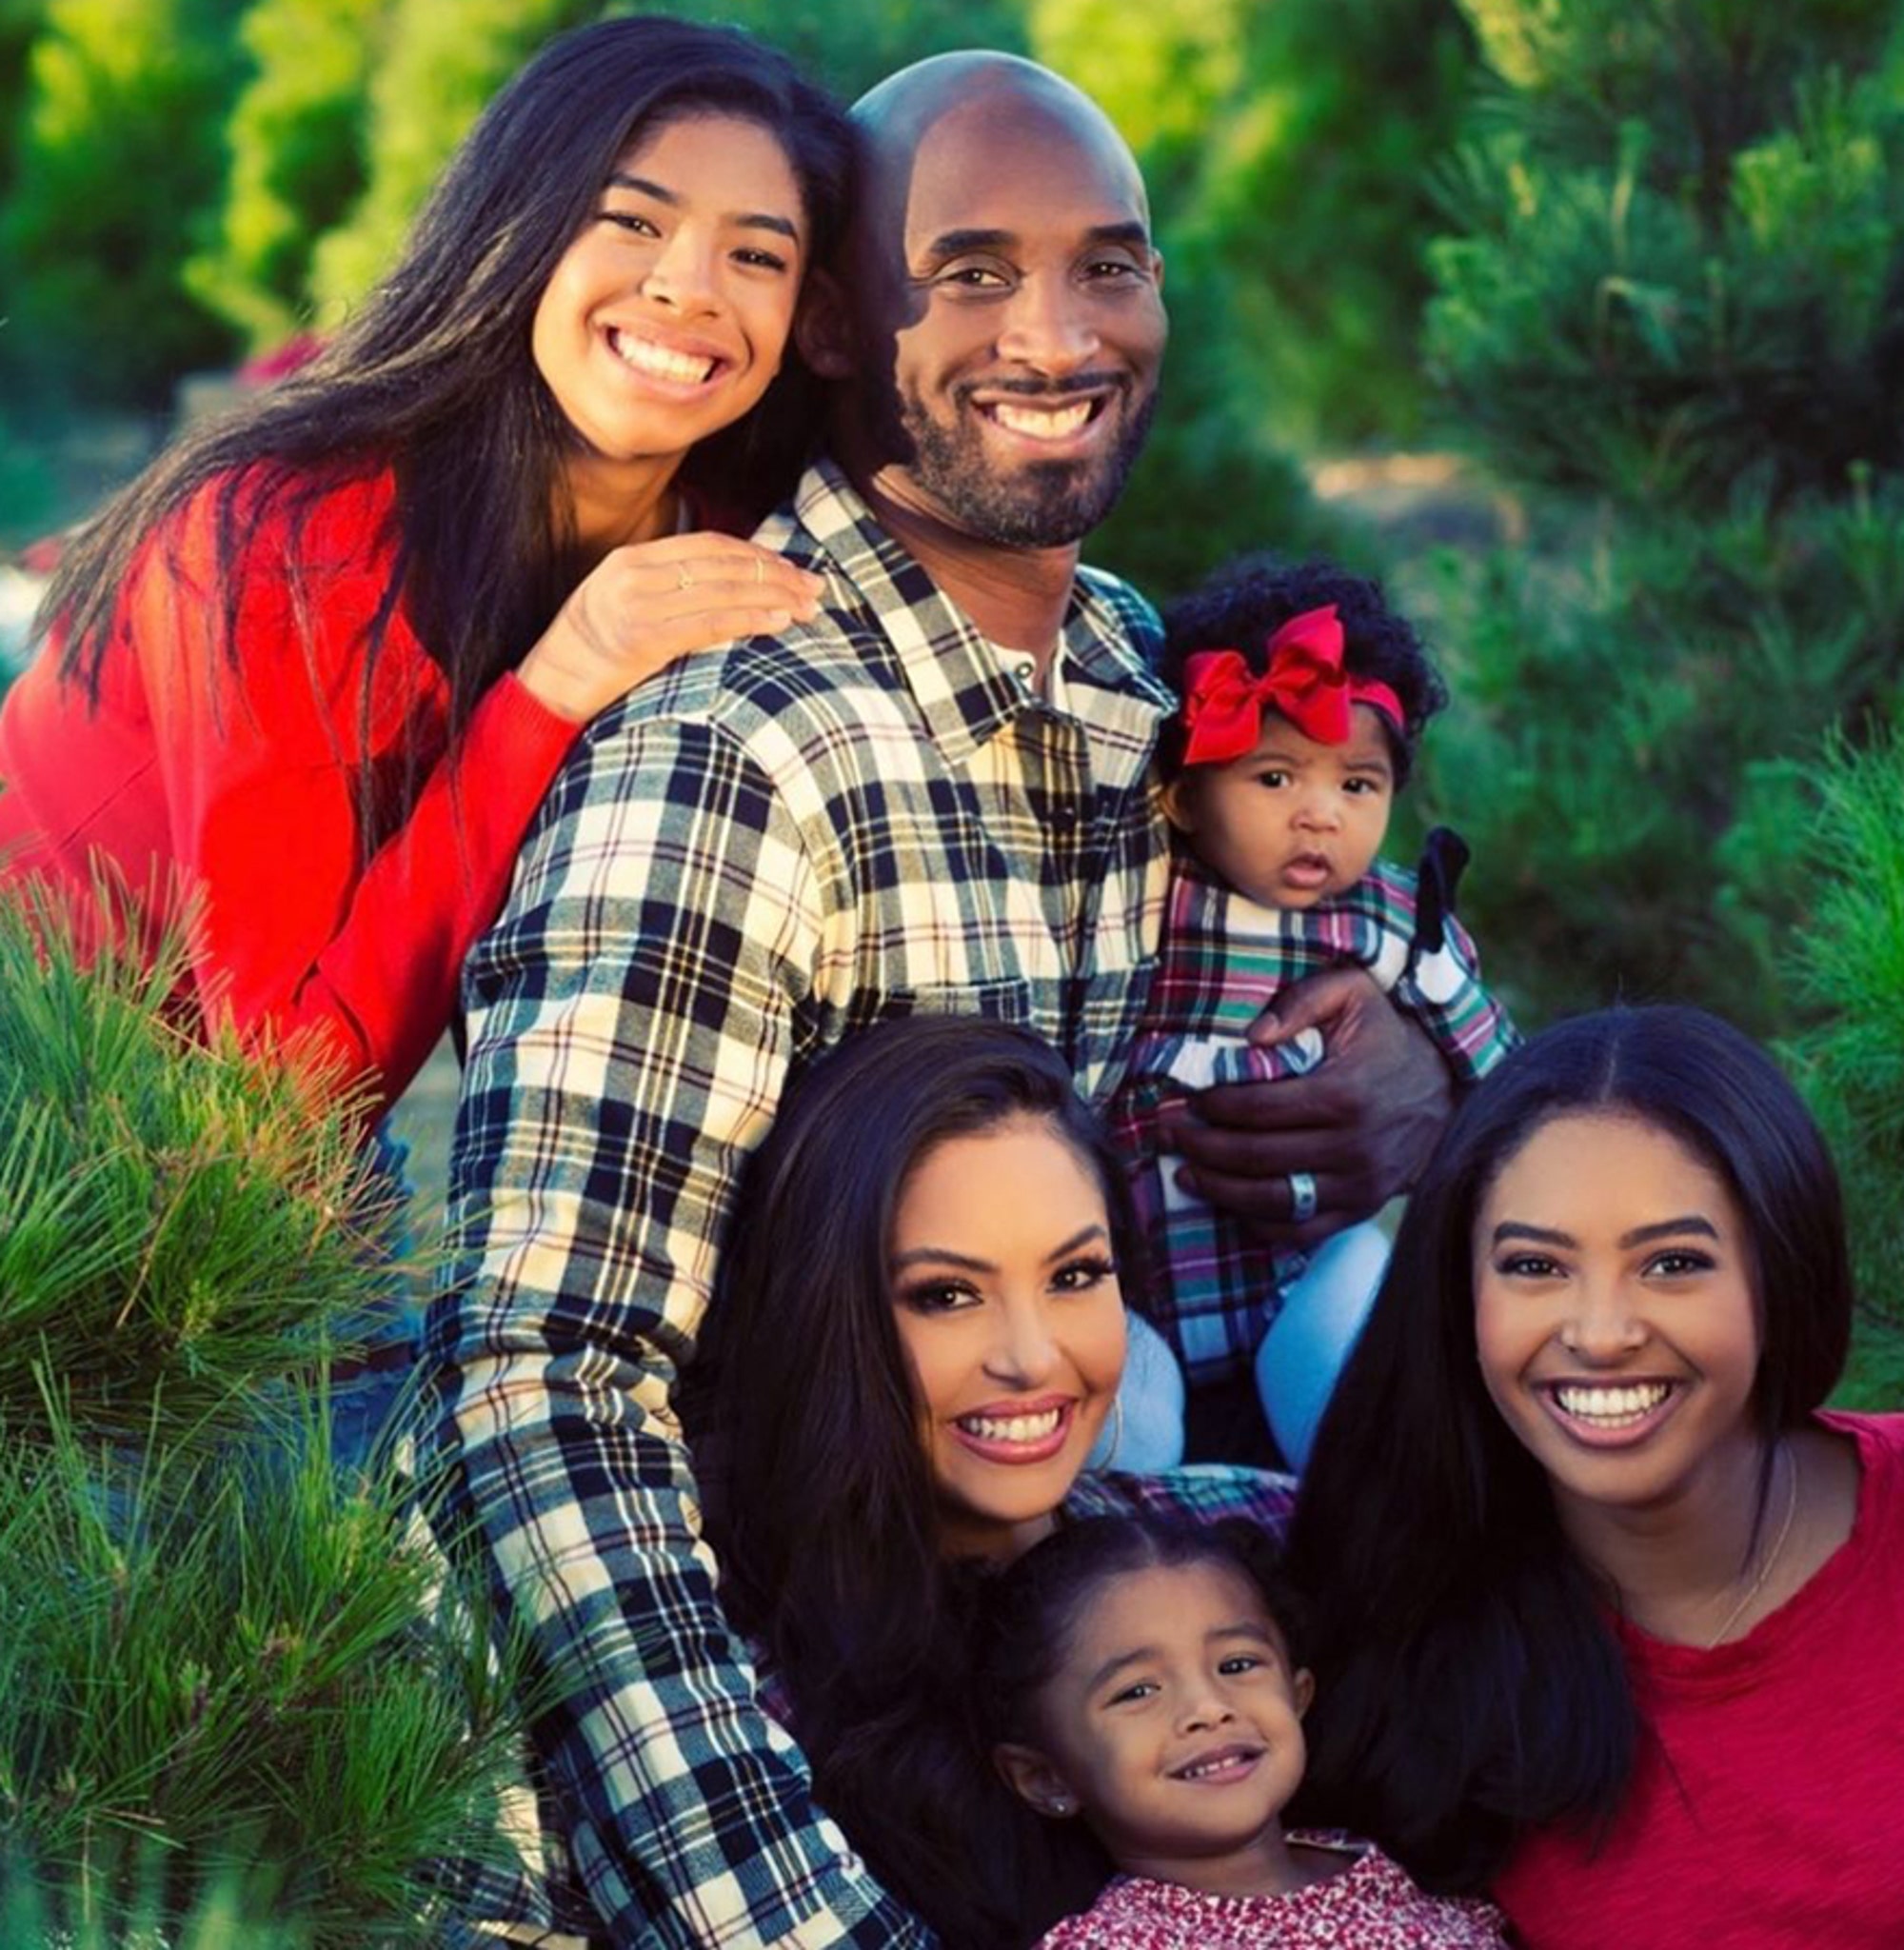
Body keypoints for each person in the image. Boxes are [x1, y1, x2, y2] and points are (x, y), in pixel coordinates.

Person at [425, 48, 1455, 1946]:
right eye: (968, 271)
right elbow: (539, 1388)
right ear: (831, 321)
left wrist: (1420, 1080)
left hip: (1048, 1709)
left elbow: (1387, 968)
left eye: (1110, 264)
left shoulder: (1150, 679)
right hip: (768, 1761)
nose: (1054, 333)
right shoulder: (738, 752)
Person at [0, 16, 834, 1119]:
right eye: (631, 219)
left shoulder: (721, 542)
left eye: (757, 254)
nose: (689, 287)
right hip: (58, 1131)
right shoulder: (300, 540)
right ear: (520, 227)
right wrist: (551, 688)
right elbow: (285, 1106)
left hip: (246, 1156)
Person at [1285, 1005, 1904, 1949]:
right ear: (1459, 1292)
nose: (1599, 1332)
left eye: (1672, 1262)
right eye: (1533, 1265)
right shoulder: (1394, 1638)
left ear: (1780, 1269)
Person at [681, 1015, 1296, 1949]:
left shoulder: (1240, 1535)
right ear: (827, 1317)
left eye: (1075, 1274)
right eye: (946, 1293)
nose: (1029, 1356)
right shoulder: (741, 1705)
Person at [1106, 556, 1517, 1474]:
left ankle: (1365, 1519)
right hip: (1136, 1281)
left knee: (1352, 1394)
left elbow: (1495, 1066)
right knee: (1131, 1435)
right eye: (1276, 779)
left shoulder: (1381, 921)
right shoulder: (1139, 902)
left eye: (1356, 786)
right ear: (1181, 795)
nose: (1319, 818)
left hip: (1298, 1272)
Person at [981, 1515, 1509, 1948]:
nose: (1209, 1708)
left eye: (1236, 1665)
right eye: (1137, 1692)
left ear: (1297, 1695)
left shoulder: (1381, 1861)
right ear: (1044, 1777)